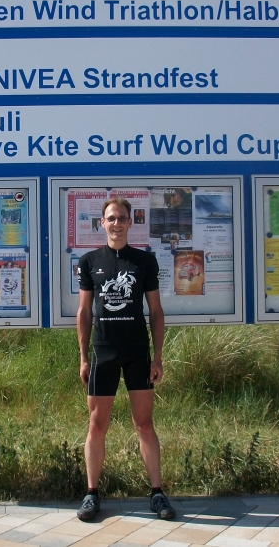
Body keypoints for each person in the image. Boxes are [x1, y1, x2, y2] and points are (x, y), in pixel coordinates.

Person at [75, 197, 175, 522]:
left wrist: (158, 357)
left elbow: (156, 311)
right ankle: (91, 494)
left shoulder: (144, 261)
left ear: (131, 222)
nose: (116, 223)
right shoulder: (90, 261)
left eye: (121, 218)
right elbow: (84, 312)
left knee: (144, 424)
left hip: (137, 353)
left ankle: (157, 493)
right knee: (96, 425)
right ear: (101, 223)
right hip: (103, 353)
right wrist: (82, 357)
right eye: (110, 218)